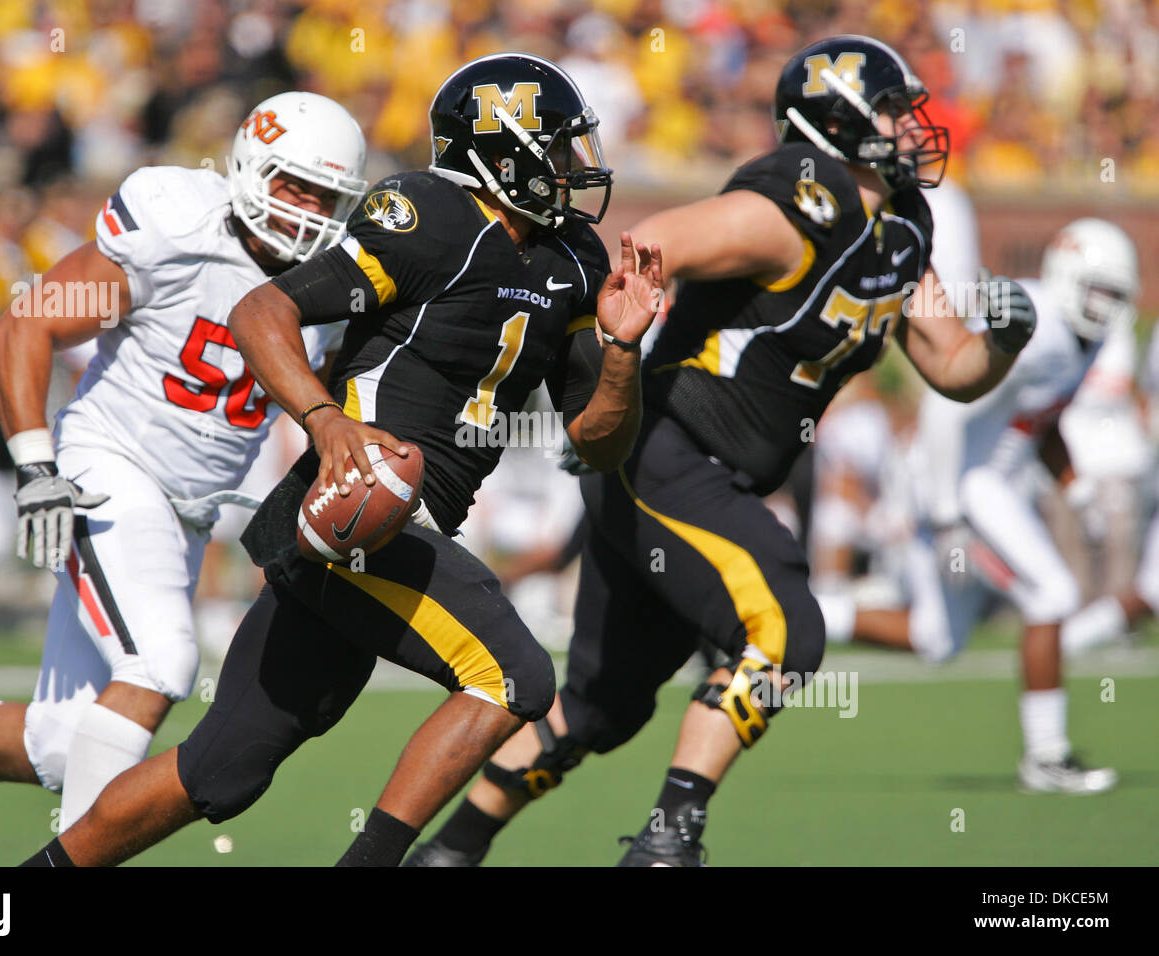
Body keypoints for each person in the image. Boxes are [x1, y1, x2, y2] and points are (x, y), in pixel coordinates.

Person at [14, 51, 661, 868]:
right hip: (349, 508)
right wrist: (325, 423)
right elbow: (263, 309)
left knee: (220, 771)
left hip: (398, 522)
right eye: (560, 148)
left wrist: (621, 351)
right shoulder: (430, 214)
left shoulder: (577, 262)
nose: (577, 167)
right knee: (515, 679)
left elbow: (597, 442)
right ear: (503, 156)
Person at [407, 34, 1037, 867]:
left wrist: (1004, 340)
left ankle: (449, 853)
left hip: (694, 475)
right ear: (836, 122)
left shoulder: (900, 231)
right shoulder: (793, 205)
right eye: (889, 109)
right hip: (668, 450)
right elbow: (647, 249)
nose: (909, 125)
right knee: (784, 629)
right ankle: (668, 846)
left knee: (601, 706)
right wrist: (605, 380)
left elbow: (952, 367)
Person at [0, 92, 368, 830]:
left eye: (329, 197)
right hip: (112, 467)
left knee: (60, 744)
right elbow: (27, 326)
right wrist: (36, 466)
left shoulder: (333, 279)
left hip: (188, 511)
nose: (309, 212)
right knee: (161, 666)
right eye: (296, 186)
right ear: (252, 169)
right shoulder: (180, 226)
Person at [822, 218, 1136, 794]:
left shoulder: (1084, 340)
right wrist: (947, 513)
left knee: (936, 640)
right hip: (959, 481)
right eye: (1096, 290)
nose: (1103, 305)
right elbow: (945, 410)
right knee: (1054, 593)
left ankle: (797, 613)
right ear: (1066, 274)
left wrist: (1075, 485)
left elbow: (1040, 417)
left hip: (982, 481)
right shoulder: (1036, 324)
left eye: (1114, 295)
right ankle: (1047, 755)